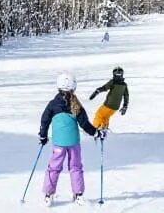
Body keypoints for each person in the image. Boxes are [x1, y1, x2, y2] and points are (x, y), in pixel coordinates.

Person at [39, 73, 100, 205]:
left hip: (59, 143)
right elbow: (84, 124)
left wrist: (43, 136)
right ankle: (78, 194)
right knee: (75, 167)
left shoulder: (52, 104)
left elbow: (45, 120)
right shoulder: (76, 105)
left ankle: (48, 194)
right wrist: (96, 133)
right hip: (73, 143)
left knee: (54, 167)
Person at [89, 66, 129, 131]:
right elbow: (126, 95)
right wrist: (125, 106)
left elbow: (105, 88)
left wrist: (97, 91)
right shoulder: (124, 85)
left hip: (108, 104)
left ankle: (95, 129)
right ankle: (104, 129)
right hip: (116, 107)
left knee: (99, 115)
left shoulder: (113, 81)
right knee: (106, 117)